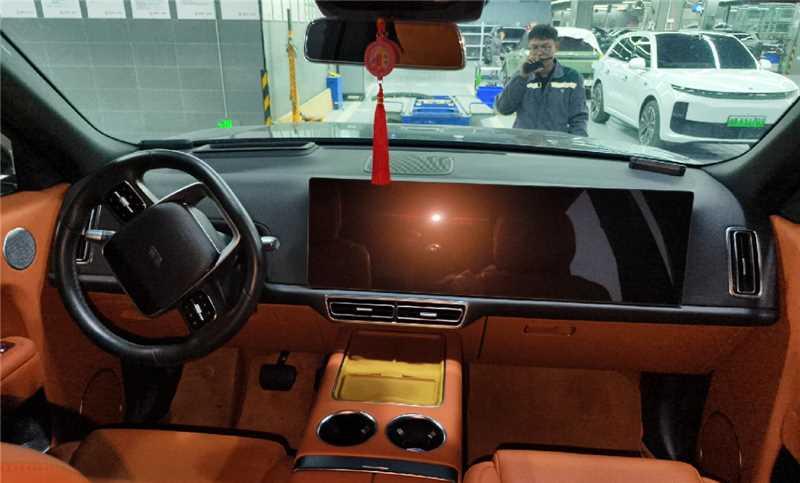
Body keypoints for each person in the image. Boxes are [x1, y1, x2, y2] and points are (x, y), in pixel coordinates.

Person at [495, 24, 588, 136]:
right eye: (535, 47)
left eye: (546, 47)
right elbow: (503, 109)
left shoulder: (572, 78)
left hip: (556, 144)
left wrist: (576, 144)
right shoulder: (522, 76)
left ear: (556, 47)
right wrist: (522, 76)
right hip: (523, 143)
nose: (540, 52)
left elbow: (579, 119)